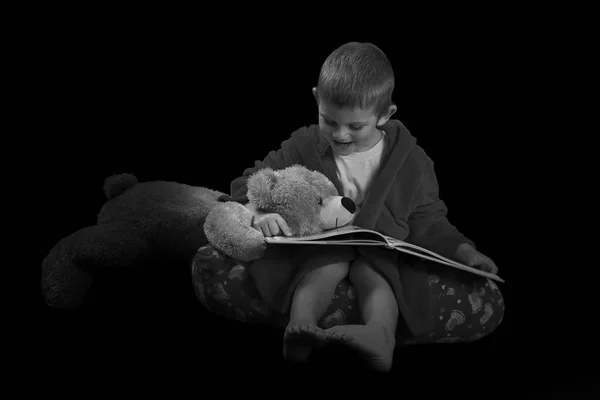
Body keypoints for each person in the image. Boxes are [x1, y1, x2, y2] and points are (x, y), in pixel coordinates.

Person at [230, 42, 500, 373]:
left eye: (356, 126)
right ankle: (301, 327)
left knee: (375, 272)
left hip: (378, 251)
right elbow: (255, 181)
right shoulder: (303, 144)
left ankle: (379, 335)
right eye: (328, 121)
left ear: (385, 115)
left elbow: (429, 220)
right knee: (324, 265)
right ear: (317, 98)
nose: (340, 134)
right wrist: (262, 213)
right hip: (322, 248)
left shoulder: (411, 162)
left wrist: (463, 251)